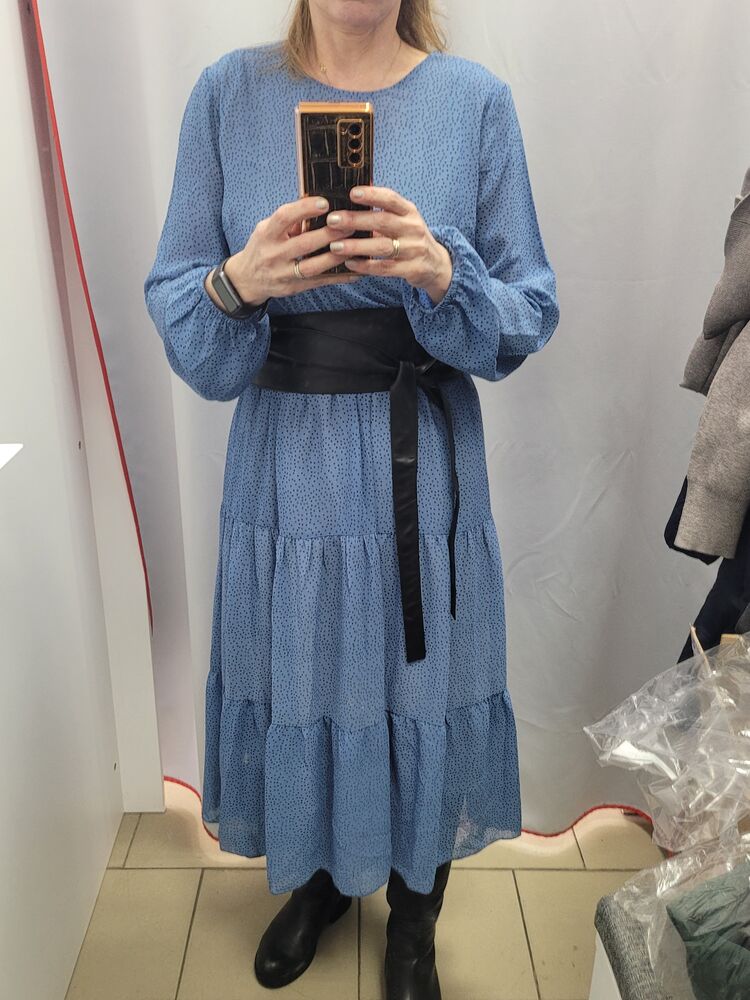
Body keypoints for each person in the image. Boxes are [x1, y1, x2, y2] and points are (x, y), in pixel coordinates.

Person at [143, 1, 559, 996]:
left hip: (423, 459)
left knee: (422, 684)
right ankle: (321, 881)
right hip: (285, 465)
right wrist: (239, 281)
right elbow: (178, 296)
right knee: (306, 672)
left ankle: (414, 921)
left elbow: (529, 308)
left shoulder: (474, 102)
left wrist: (446, 273)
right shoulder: (227, 94)